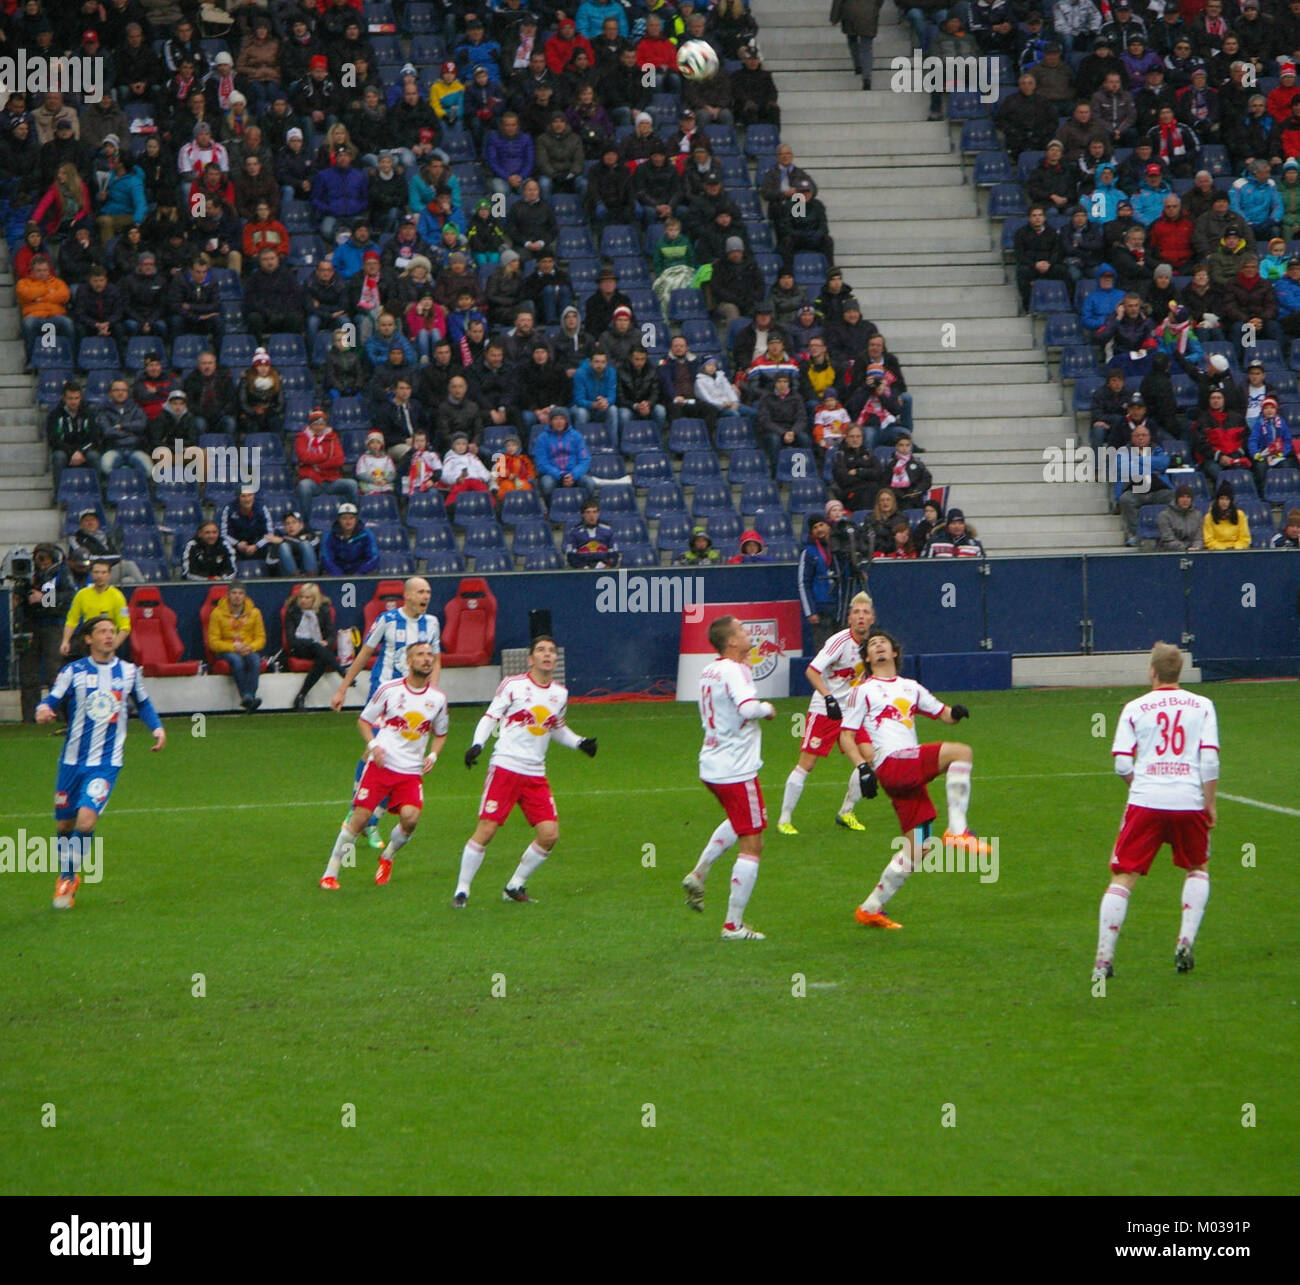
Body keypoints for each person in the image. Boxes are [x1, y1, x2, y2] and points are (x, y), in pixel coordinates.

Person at [839, 628, 986, 930]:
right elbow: (846, 736)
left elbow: (944, 714)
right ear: (867, 658)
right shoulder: (863, 690)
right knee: (962, 753)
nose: (878, 647)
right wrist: (862, 768)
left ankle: (870, 908)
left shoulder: (910, 687)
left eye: (884, 644)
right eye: (872, 646)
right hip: (893, 764)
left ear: (894, 652)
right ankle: (958, 830)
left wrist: (956, 713)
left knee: (919, 847)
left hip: (906, 773)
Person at [1093, 642, 1218, 981]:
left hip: (1145, 801)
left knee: (1123, 876)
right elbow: (1209, 760)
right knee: (1197, 866)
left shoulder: (1134, 707)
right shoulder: (1203, 705)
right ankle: (1185, 941)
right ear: (1179, 672)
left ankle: (1103, 959)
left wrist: (1139, 786)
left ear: (1152, 671)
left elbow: (1121, 763)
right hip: (1188, 801)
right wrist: (1210, 802)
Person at [454, 635, 597, 907]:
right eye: (541, 650)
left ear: (556, 659)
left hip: (535, 774)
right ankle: (462, 890)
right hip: (505, 767)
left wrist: (579, 742)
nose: (547, 655)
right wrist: (477, 744)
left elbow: (554, 727)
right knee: (487, 830)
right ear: (530, 659)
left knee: (549, 834)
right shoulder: (513, 685)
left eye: (552, 651)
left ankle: (514, 885)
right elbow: (491, 716)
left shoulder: (559, 694)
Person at [36, 615, 165, 910]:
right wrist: (42, 709)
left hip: (106, 762)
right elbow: (53, 700)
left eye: (112, 631)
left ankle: (67, 881)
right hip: (71, 762)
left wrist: (156, 728)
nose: (109, 636)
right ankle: (67, 873)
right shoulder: (73, 671)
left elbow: (142, 703)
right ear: (89, 639)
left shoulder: (129, 672)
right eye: (102, 632)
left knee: (86, 820)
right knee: (64, 823)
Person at [318, 641, 448, 889]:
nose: (427, 659)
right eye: (420, 655)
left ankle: (387, 856)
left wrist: (432, 756)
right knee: (360, 819)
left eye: (430, 655)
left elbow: (441, 733)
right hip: (381, 767)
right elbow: (364, 721)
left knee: (411, 819)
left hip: (410, 773)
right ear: (408, 662)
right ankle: (331, 872)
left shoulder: (438, 698)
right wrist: (374, 746)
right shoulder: (389, 690)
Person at [680, 615, 775, 939]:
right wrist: (766, 708)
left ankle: (700, 872)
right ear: (731, 641)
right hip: (736, 768)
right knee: (753, 842)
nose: (749, 633)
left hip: (712, 764)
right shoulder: (733, 671)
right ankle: (732, 925)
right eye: (743, 630)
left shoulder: (713, 669)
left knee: (739, 821)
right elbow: (748, 709)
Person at [777, 592, 877, 837]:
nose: (861, 617)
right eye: (857, 613)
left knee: (870, 758)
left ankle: (846, 811)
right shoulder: (839, 641)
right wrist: (828, 697)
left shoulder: (872, 644)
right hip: (825, 709)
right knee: (807, 764)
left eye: (865, 613)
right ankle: (784, 818)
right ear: (849, 618)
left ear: (872, 618)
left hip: (852, 711)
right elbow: (812, 671)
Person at [16, 544, 75, 723]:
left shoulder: (62, 573)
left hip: (54, 626)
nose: (42, 563)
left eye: (45, 558)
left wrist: (44, 598)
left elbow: (71, 596)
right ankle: (30, 719)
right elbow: (21, 596)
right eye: (38, 559)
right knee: (28, 675)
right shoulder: (28, 574)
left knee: (54, 674)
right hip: (31, 625)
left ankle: (58, 716)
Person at [207, 581, 266, 712]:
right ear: (228, 595)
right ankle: (248, 696)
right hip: (227, 650)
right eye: (234, 593)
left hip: (247, 648)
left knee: (255, 660)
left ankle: (248, 697)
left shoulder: (255, 613)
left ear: (245, 596)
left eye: (240, 593)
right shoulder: (217, 613)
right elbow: (213, 642)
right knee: (236, 660)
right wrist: (234, 647)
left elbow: (261, 638)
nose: (237, 596)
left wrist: (249, 647)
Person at [61, 560, 130, 659]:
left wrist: (113, 646)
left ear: (109, 575)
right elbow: (71, 621)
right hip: (88, 643)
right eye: (96, 572)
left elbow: (125, 627)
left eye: (103, 572)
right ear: (91, 574)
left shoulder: (118, 597)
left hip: (108, 642)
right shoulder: (82, 594)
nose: (99, 576)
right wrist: (65, 641)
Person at [566, 500, 619, 569]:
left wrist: (607, 566)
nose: (592, 515)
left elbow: (614, 554)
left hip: (604, 568)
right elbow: (571, 556)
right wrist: (583, 567)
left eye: (594, 512)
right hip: (582, 570)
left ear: (598, 513)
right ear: (583, 514)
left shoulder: (608, 530)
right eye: (588, 512)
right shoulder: (575, 532)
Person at [1202, 481, 1251, 549]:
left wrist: (1236, 548)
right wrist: (1223, 549)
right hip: (1217, 552)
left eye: (1227, 499)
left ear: (1231, 501)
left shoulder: (1240, 515)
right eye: (1222, 498)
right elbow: (1208, 540)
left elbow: (1245, 538)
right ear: (1217, 500)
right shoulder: (1209, 517)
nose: (1224, 502)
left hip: (1236, 551)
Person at [1155, 484, 1204, 551]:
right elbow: (1168, 540)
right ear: (1177, 499)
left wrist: (1196, 547)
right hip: (1170, 553)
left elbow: (1198, 538)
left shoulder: (1198, 515)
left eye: (1188, 497)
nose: (1185, 500)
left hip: (1193, 552)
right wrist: (1185, 548)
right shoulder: (1164, 516)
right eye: (1182, 497)